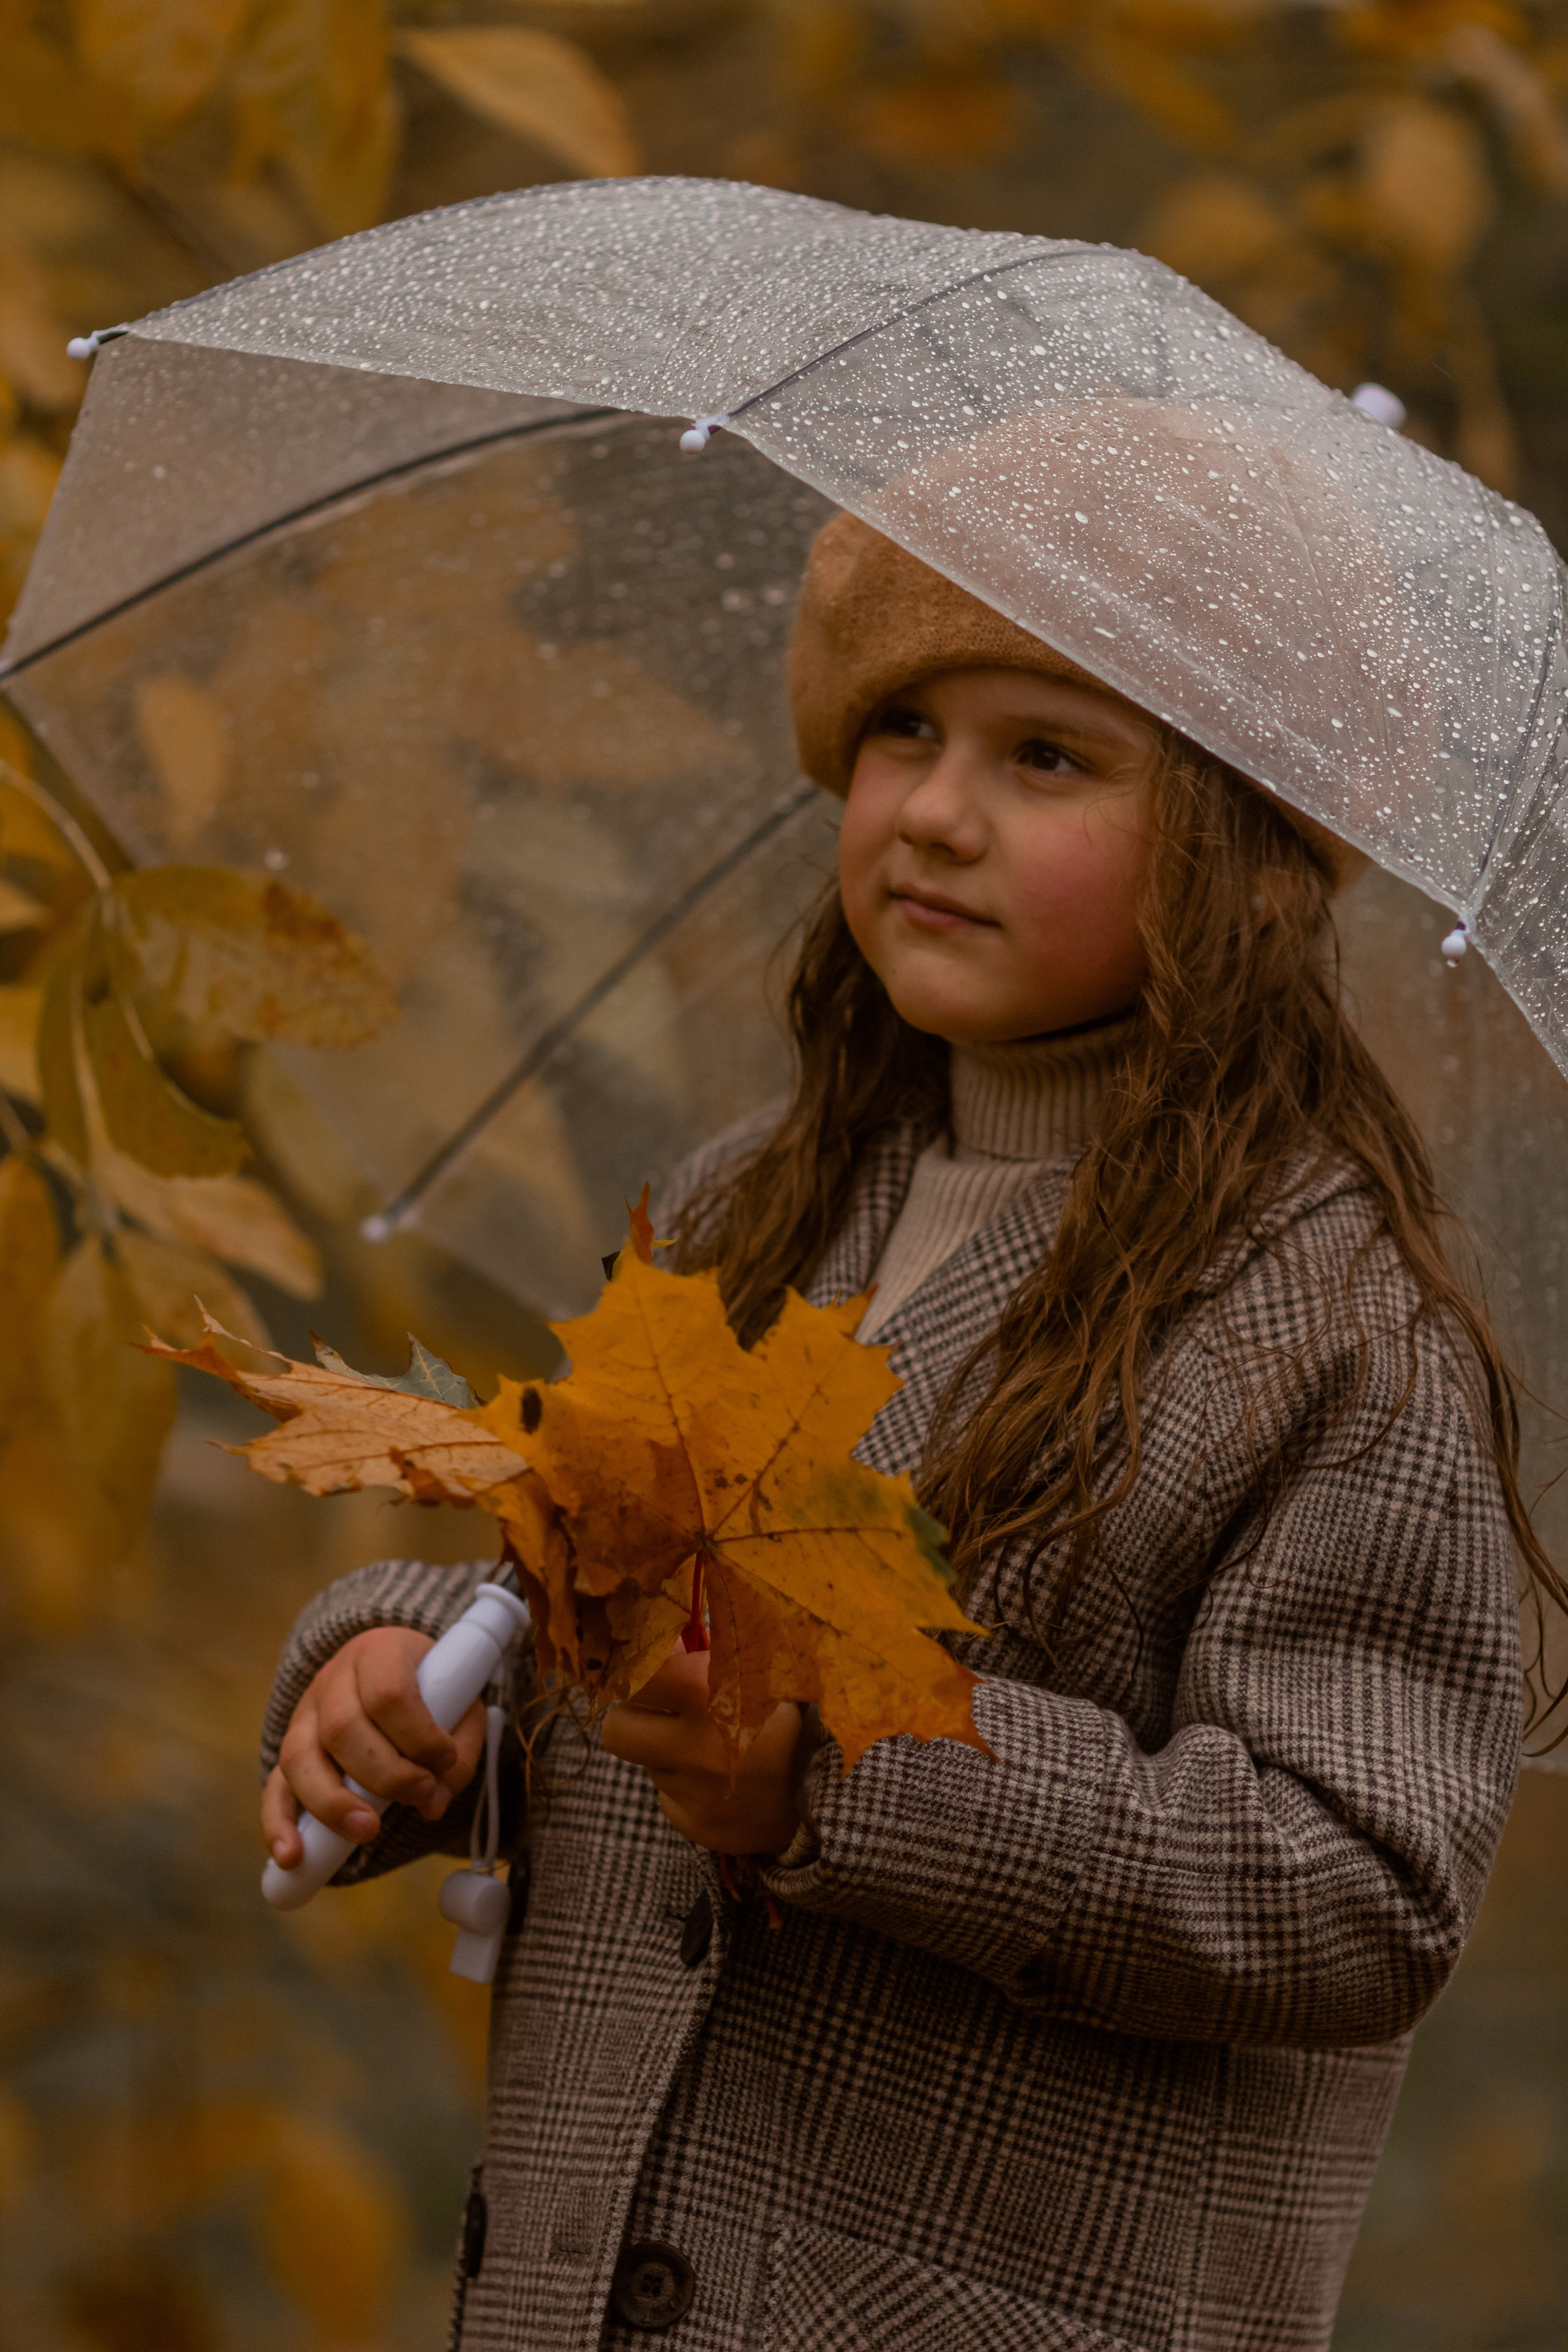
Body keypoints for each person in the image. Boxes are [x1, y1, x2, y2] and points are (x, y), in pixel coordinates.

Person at [260, 511, 1545, 2352]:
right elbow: (590, 1638)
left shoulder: (1332, 1329)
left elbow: (1358, 1889)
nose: (937, 811)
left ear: (1248, 850)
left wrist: (847, 1776)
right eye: (901, 732)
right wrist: (397, 1681)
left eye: (1046, 755)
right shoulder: (741, 1221)